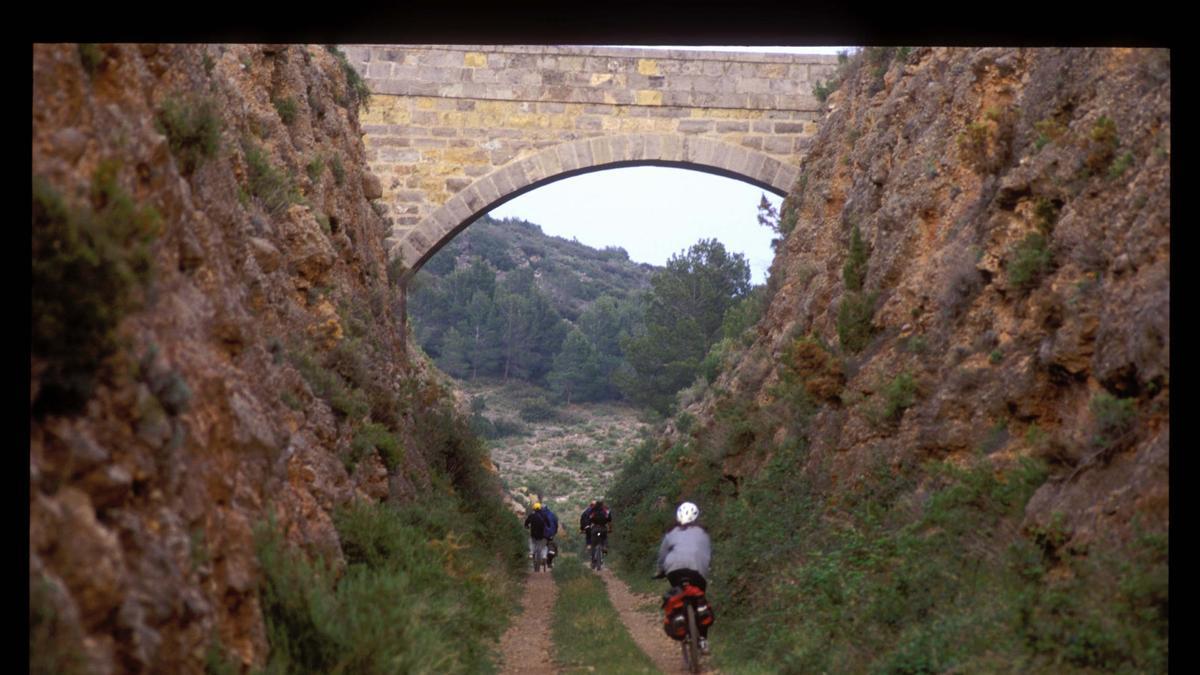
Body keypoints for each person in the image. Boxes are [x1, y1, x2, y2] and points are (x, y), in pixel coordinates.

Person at [657, 501, 713, 654]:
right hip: (697, 571)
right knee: (700, 599)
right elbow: (707, 554)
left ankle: (681, 618)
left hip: (674, 571)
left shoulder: (670, 533)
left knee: (678, 592)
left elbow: (662, 555)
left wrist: (660, 570)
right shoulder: (703, 533)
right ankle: (702, 640)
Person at [523, 502, 550, 571]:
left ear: (534, 508)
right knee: (544, 546)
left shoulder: (531, 515)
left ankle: (531, 553)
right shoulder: (544, 515)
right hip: (542, 535)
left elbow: (526, 523)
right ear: (540, 508)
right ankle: (544, 556)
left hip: (534, 534)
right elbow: (548, 524)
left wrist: (527, 526)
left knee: (532, 542)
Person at [542, 502, 560, 568]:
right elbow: (556, 524)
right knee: (552, 548)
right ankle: (549, 562)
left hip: (540, 534)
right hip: (550, 534)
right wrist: (555, 531)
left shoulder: (538, 514)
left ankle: (536, 557)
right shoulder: (552, 515)